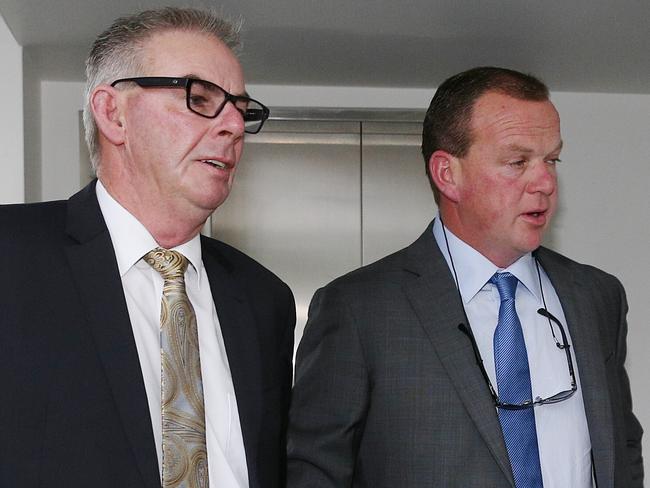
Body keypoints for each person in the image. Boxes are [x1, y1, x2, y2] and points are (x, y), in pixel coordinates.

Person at [287, 67, 643, 487]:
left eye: (551, 159)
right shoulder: (359, 308)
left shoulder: (596, 296)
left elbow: (622, 449)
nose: (546, 181)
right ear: (447, 174)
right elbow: (316, 470)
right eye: (518, 161)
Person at [0, 7, 295, 488]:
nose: (234, 127)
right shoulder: (11, 257)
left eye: (242, 110)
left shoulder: (266, 300)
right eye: (200, 98)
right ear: (113, 113)